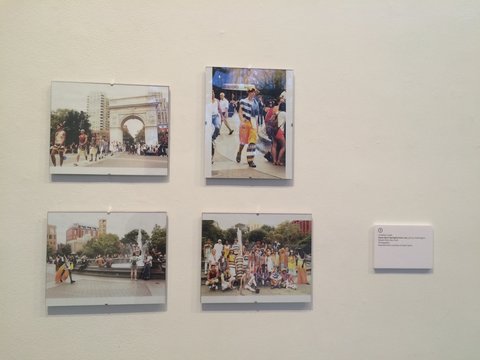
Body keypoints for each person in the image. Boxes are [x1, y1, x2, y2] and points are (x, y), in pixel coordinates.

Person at [236, 87, 258, 167]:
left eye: (254, 92)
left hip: (253, 124)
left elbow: (256, 116)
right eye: (251, 92)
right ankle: (239, 152)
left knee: (252, 143)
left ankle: (250, 161)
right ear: (248, 92)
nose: (253, 93)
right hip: (245, 124)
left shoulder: (256, 103)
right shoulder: (243, 101)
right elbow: (240, 112)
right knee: (243, 142)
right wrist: (242, 121)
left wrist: (257, 128)